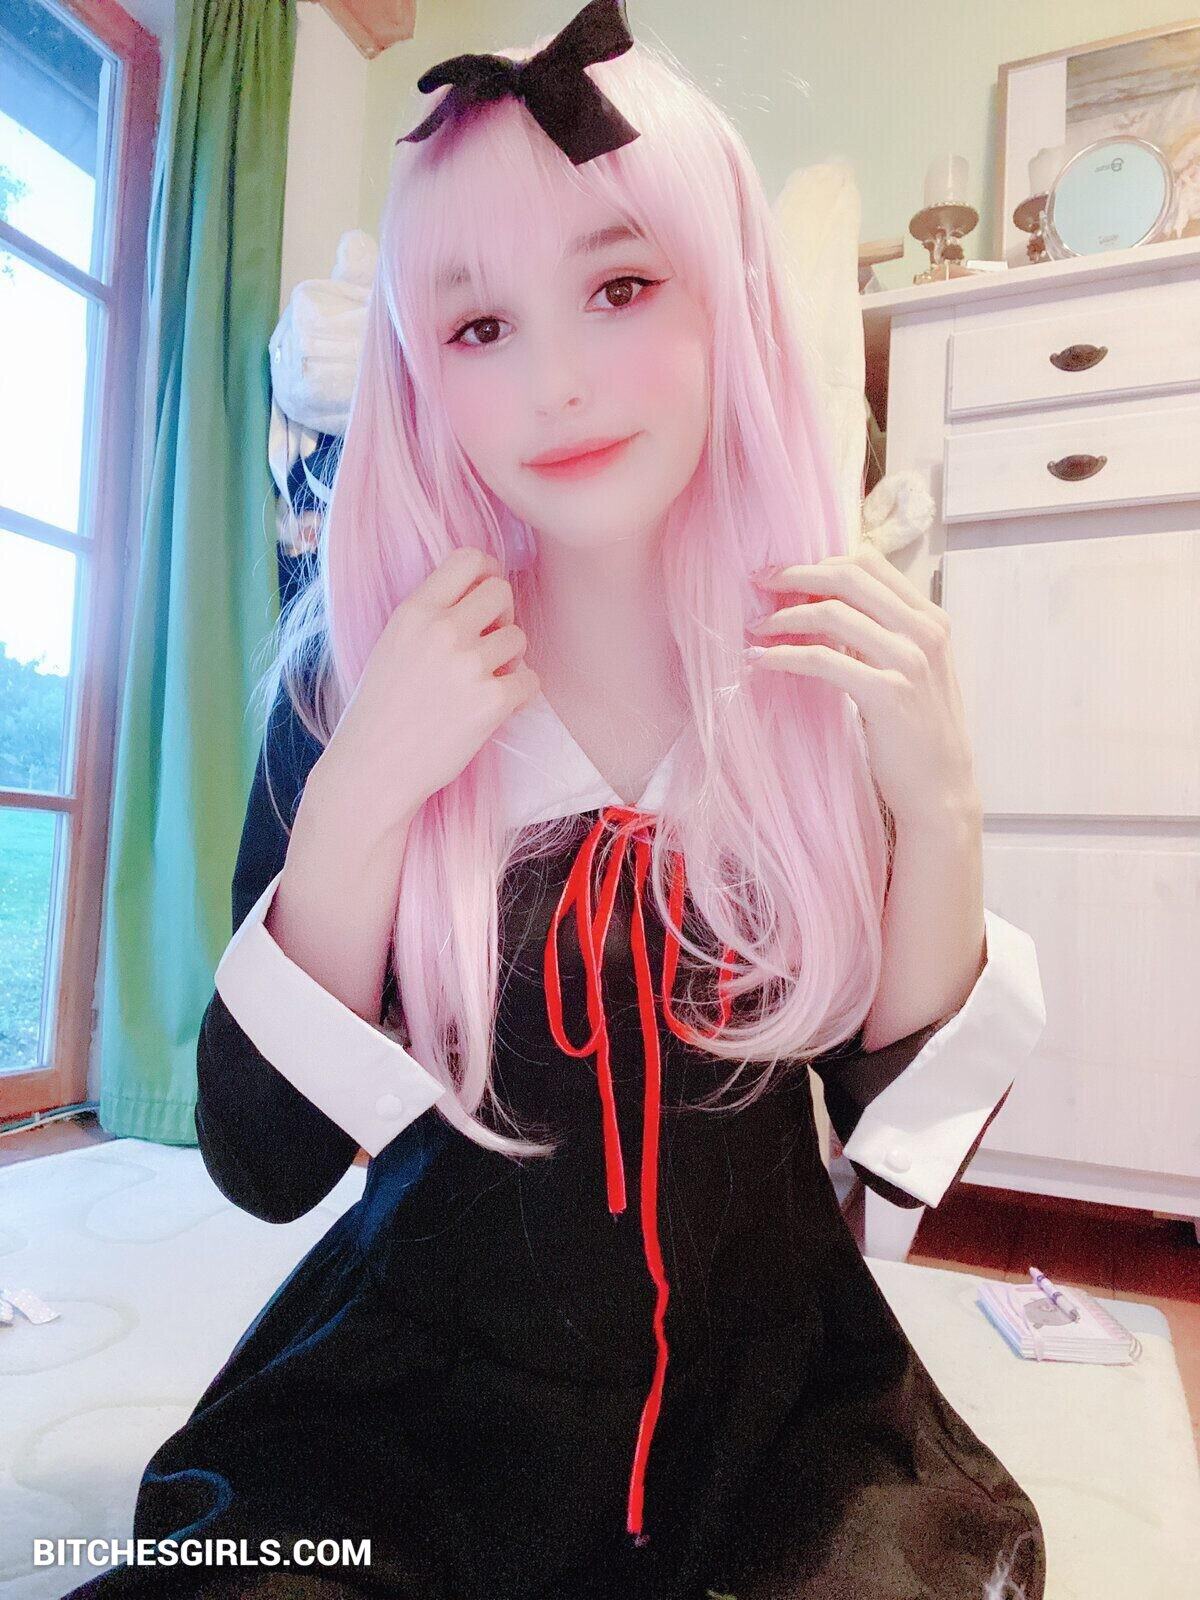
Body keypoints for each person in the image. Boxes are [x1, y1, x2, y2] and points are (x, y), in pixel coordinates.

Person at [65, 3, 1048, 1595]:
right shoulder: (354, 689)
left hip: (777, 1398)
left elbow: (896, 1126)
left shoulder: (816, 681)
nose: (558, 382)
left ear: (731, 305)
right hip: (420, 1387)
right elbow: (267, 1163)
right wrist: (364, 794)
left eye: (622, 287)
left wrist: (942, 808)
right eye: (477, 327)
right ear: (418, 377)